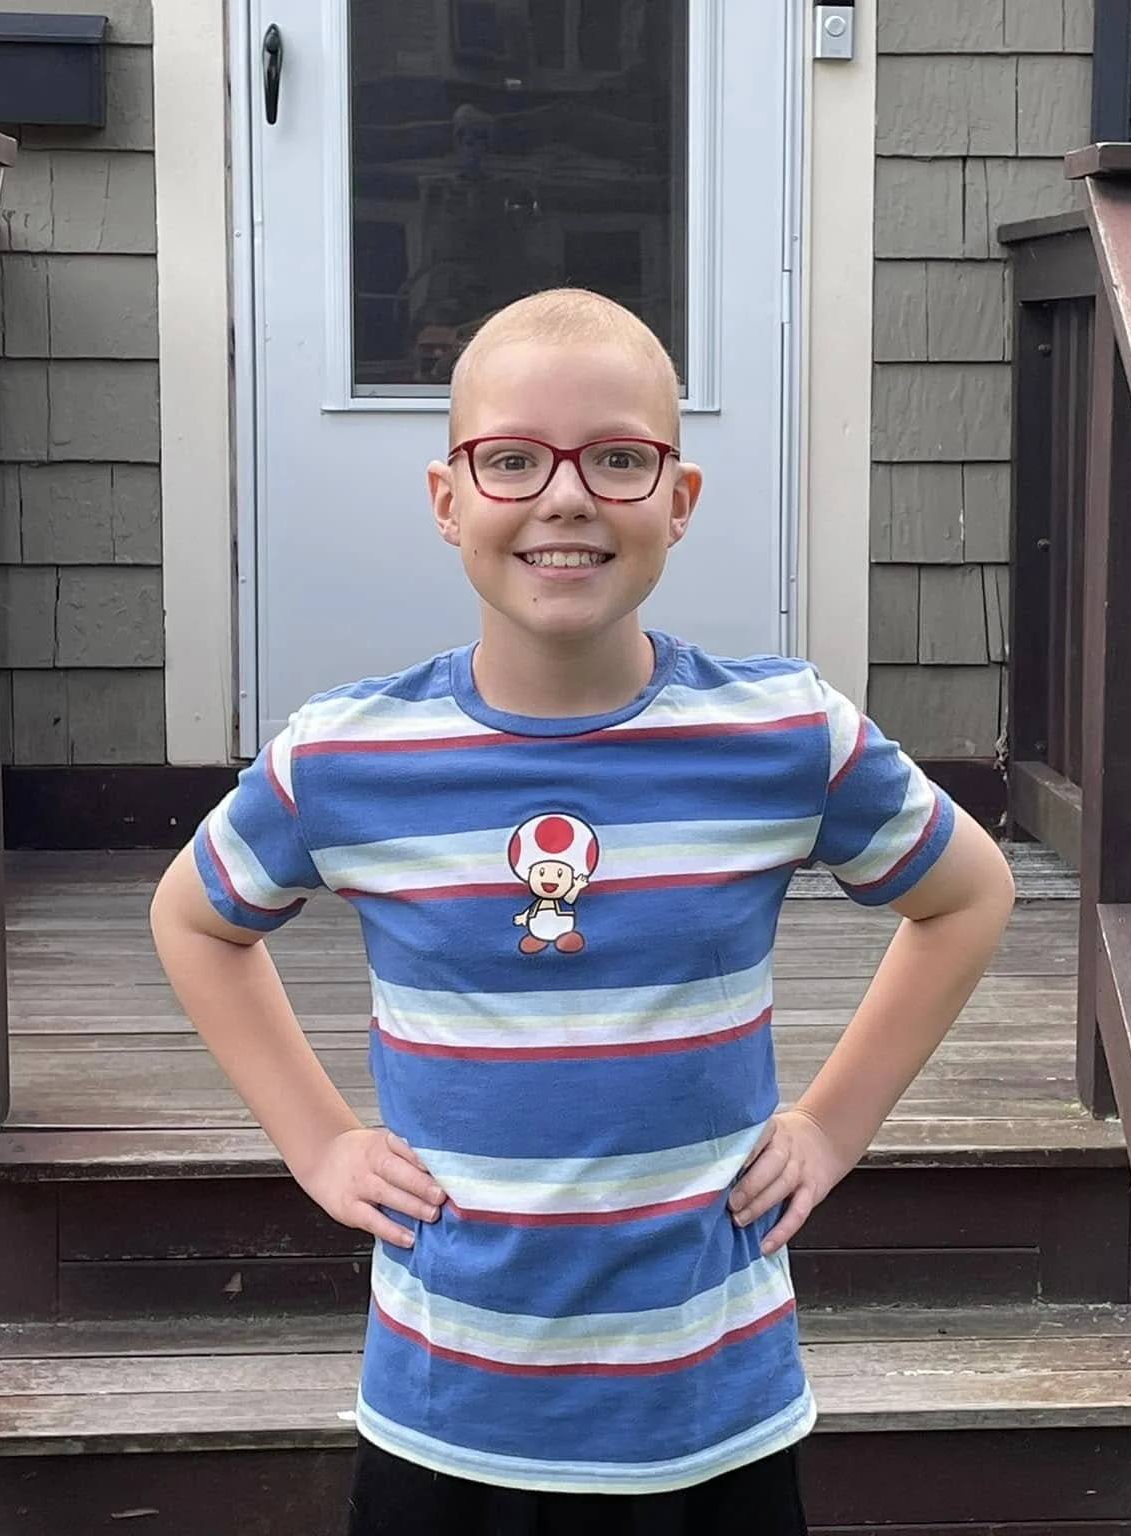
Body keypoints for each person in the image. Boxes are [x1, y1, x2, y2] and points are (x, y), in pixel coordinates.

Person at [148, 288, 1017, 1535]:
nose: (564, 498)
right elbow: (195, 921)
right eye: (512, 460)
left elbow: (968, 895)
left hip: (709, 1415)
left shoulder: (781, 737)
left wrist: (829, 1127)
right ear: (449, 500)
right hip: (446, 1415)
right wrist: (317, 1141)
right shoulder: (345, 756)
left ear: (679, 498)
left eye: (618, 458)